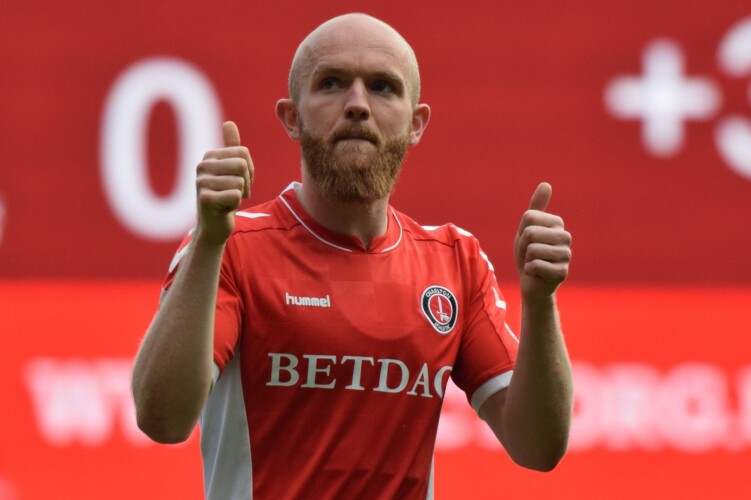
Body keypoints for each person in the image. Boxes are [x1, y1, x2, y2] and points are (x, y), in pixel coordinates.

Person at [131, 12, 573, 499]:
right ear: (292, 118)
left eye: (383, 87)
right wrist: (209, 241)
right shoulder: (232, 246)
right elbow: (163, 419)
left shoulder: (456, 261)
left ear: (416, 124)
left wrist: (541, 303)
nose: (358, 104)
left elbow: (538, 447)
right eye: (332, 83)